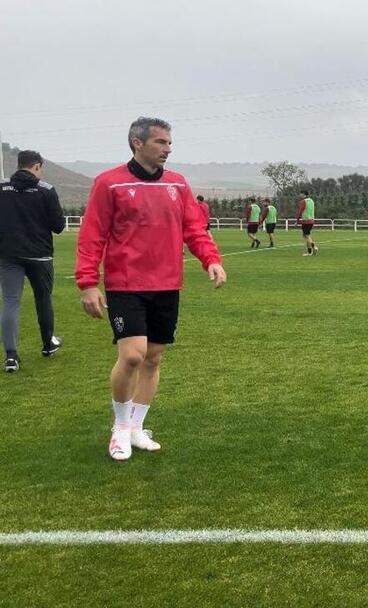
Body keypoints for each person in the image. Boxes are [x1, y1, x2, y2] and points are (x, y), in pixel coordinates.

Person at [75, 117, 226, 461]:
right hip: (125, 284)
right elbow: (92, 235)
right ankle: (119, 428)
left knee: (153, 358)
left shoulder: (177, 184)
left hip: (167, 283)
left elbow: (194, 228)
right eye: (160, 142)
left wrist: (210, 260)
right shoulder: (109, 183)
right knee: (132, 356)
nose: (167, 149)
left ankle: (136, 428)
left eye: (169, 143)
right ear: (136, 143)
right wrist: (87, 283)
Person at [0, 150, 65, 372]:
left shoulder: (2, 188)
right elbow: (58, 226)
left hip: (8, 254)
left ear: (19, 165)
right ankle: (48, 343)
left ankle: (11, 356)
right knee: (43, 299)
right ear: (37, 166)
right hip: (40, 255)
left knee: (10, 302)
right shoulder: (46, 190)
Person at [296, 189, 317, 256]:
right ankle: (310, 252)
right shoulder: (311, 201)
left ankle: (313, 246)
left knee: (306, 235)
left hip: (305, 221)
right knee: (306, 235)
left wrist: (297, 220)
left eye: (301, 193)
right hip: (311, 220)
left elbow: (300, 211)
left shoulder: (303, 201)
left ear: (304, 194)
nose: (300, 195)